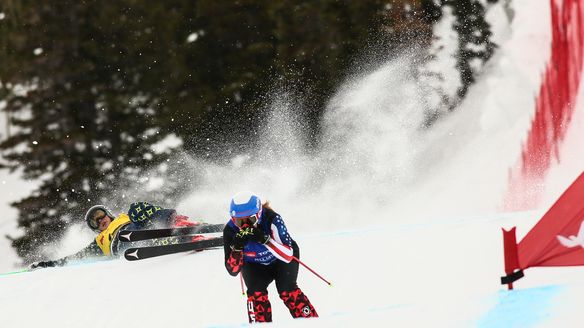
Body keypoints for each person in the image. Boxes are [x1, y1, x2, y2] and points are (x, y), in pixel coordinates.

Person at [223, 191, 318, 323]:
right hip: (254, 264)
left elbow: (287, 255)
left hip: (281, 260)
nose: (245, 225)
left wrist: (265, 240)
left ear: (259, 214)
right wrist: (237, 248)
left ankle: (312, 323)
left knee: (287, 290)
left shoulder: (272, 219)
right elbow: (232, 271)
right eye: (239, 221)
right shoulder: (230, 230)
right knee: (256, 295)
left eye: (251, 220)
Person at [29, 202, 200, 269]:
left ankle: (182, 227)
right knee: (131, 230)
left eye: (100, 215)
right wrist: (47, 264)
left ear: (108, 213)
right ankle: (171, 237)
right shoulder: (99, 241)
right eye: (95, 222)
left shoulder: (125, 216)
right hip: (123, 241)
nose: (100, 221)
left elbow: (143, 216)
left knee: (137, 208)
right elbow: (76, 257)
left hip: (140, 228)